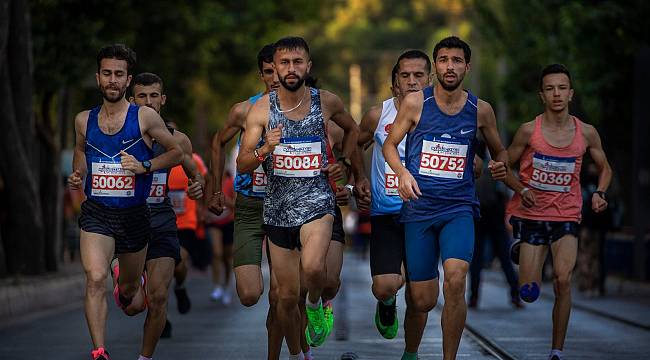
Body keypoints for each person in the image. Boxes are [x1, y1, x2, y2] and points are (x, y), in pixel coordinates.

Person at [383, 36, 508, 360]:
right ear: (435, 67)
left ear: (467, 66)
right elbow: (389, 145)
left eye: (456, 60)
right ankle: (411, 352)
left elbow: (500, 153)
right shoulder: (415, 104)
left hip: (458, 209)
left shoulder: (480, 110)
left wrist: (498, 165)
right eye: (443, 60)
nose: (449, 66)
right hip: (420, 210)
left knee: (455, 279)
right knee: (422, 299)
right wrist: (403, 174)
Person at [237, 36, 362, 359]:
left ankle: (316, 304)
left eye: (297, 62)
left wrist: (344, 165)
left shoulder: (327, 102)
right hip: (277, 210)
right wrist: (266, 147)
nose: (291, 69)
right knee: (286, 298)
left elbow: (353, 131)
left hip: (318, 203)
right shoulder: (261, 110)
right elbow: (243, 163)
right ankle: (296, 354)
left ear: (308, 66)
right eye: (284, 63)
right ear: (275, 69)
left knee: (315, 268)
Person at [67, 44, 182, 360]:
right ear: (98, 77)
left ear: (128, 79)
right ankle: (99, 350)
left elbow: (176, 152)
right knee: (94, 278)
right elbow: (81, 150)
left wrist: (145, 166)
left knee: (132, 297)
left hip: (134, 216)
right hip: (97, 214)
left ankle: (128, 279)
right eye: (107, 74)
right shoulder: (83, 120)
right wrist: (79, 174)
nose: (113, 80)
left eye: (119, 74)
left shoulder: (144, 118)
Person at [504, 63, 612, 360]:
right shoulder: (529, 131)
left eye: (562, 88)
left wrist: (601, 193)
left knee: (563, 280)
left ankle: (556, 351)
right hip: (532, 216)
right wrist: (522, 189)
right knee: (528, 292)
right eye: (550, 88)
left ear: (570, 93)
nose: (556, 94)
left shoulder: (586, 133)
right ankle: (522, 253)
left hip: (566, 216)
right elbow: (503, 167)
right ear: (542, 95)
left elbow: (605, 168)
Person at [353, 50, 433, 360]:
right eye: (405, 76)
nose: (412, 81)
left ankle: (411, 353)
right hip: (386, 213)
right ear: (394, 85)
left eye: (419, 75)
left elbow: (466, 156)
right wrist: (359, 177)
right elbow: (355, 143)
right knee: (386, 286)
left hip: (425, 215)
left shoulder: (442, 114)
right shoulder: (377, 115)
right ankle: (386, 304)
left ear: (430, 80)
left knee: (419, 296)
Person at [207, 44, 285, 359]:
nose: (276, 79)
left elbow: (339, 136)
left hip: (288, 208)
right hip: (250, 205)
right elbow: (217, 142)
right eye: (269, 72)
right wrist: (214, 190)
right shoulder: (244, 110)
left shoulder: (308, 109)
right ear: (261, 74)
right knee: (251, 294)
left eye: (280, 71)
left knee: (282, 295)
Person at [128, 73, 204, 354]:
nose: (148, 102)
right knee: (133, 304)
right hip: (126, 221)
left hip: (161, 219)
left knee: (158, 298)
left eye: (153, 96)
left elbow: (196, 175)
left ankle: (145, 357)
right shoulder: (118, 136)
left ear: (163, 100)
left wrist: (198, 187)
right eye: (141, 96)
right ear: (131, 100)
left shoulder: (179, 140)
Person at [468, 139, 522, 309]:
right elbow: (503, 192)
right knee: (504, 257)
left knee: (476, 259)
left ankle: (474, 297)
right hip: (495, 216)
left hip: (478, 216)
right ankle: (515, 295)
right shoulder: (494, 167)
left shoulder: (473, 167)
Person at [206, 170, 235, 304]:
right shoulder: (210, 182)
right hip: (214, 223)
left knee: (227, 258)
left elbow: (236, 204)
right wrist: (203, 212)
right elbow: (205, 201)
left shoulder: (231, 182)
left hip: (229, 222)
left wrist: (225, 199)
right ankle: (217, 286)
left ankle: (227, 285)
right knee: (217, 253)